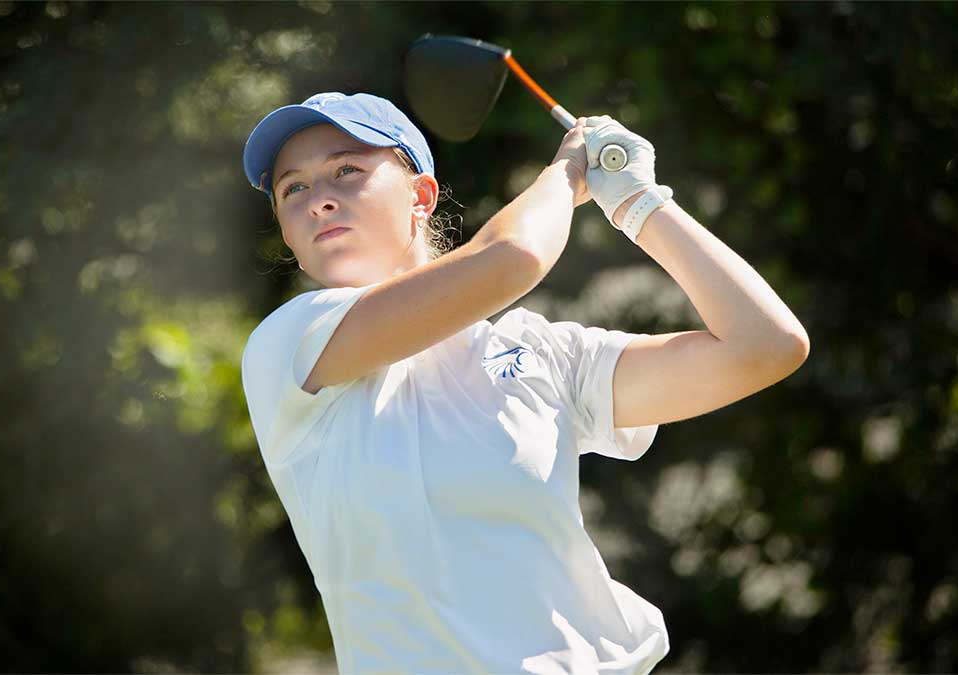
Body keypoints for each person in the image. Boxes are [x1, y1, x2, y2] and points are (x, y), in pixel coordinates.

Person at [239, 92, 809, 674]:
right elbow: (513, 257)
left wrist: (640, 202)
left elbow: (763, 347)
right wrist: (567, 171)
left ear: (421, 196)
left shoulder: (543, 355)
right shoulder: (289, 346)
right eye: (294, 189)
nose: (318, 202)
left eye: (346, 170)